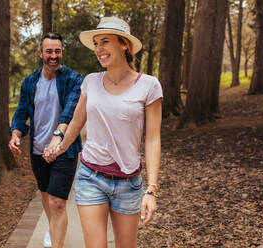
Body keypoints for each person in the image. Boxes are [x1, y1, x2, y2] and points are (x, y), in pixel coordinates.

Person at [43, 17, 163, 248]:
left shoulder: (149, 85)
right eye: (96, 43)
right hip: (90, 178)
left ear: (124, 44)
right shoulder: (91, 82)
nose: (99, 49)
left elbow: (153, 138)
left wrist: (152, 189)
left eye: (105, 42)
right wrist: (59, 148)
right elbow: (76, 123)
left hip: (129, 183)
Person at [9, 32, 83, 248]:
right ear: (41, 53)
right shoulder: (30, 82)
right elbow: (21, 113)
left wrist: (57, 139)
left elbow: (70, 112)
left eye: (57, 51)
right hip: (38, 151)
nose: (53, 55)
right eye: (49, 51)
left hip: (64, 151)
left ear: (62, 53)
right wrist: (16, 134)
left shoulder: (73, 79)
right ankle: (54, 228)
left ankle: (56, 242)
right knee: (45, 194)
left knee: (58, 202)